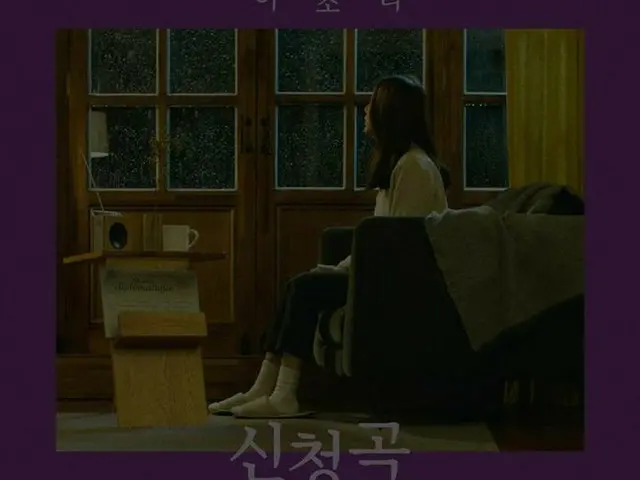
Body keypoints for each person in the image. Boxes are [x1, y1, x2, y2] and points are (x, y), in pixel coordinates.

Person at [208, 75, 451, 419]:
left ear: (388, 112)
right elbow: (377, 240)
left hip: (400, 285)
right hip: (382, 275)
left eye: (372, 103)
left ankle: (284, 394)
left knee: (305, 288)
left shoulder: (415, 167)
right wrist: (339, 269)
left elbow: (399, 247)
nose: (365, 109)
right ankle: (263, 388)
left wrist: (345, 273)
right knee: (300, 284)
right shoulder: (399, 165)